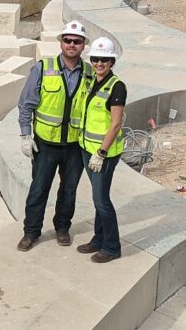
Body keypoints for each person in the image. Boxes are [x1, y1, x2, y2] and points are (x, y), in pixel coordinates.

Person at [16, 20, 93, 251]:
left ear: (83, 46)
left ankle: (62, 227)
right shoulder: (43, 67)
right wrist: (25, 136)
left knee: (69, 191)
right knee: (39, 189)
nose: (71, 45)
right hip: (46, 144)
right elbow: (26, 104)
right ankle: (31, 232)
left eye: (76, 42)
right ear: (61, 42)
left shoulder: (90, 73)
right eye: (67, 40)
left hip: (74, 145)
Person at [76, 36, 128, 264]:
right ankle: (98, 239)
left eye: (104, 60)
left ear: (112, 62)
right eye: (96, 59)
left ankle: (112, 246)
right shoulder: (93, 82)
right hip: (87, 148)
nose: (99, 63)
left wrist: (102, 153)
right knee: (98, 199)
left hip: (103, 154)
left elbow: (115, 123)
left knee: (101, 200)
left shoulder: (116, 87)